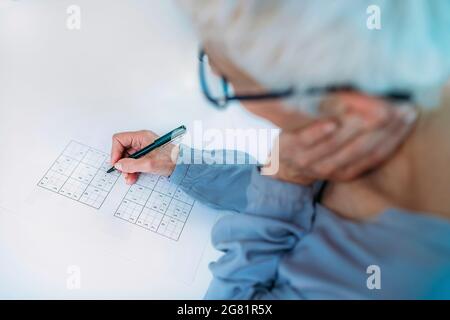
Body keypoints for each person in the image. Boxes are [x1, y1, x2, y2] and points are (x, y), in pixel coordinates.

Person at [111, 1, 450, 298]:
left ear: (354, 112)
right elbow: (295, 199)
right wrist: (177, 160)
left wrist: (284, 179)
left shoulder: (381, 278)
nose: (225, 89)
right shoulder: (404, 104)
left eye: (228, 81)